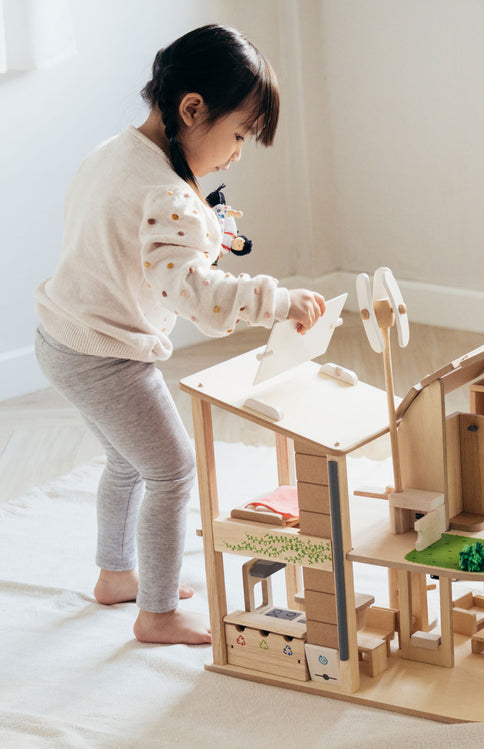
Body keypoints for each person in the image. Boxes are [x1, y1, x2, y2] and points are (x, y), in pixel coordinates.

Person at [32, 24, 326, 646]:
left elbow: (141, 231)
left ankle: (117, 574)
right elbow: (197, 298)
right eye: (239, 135)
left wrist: (206, 226)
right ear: (193, 109)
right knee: (172, 470)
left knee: (127, 460)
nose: (237, 154)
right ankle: (158, 613)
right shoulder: (167, 194)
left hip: (61, 334)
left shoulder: (115, 153)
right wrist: (278, 300)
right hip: (104, 353)